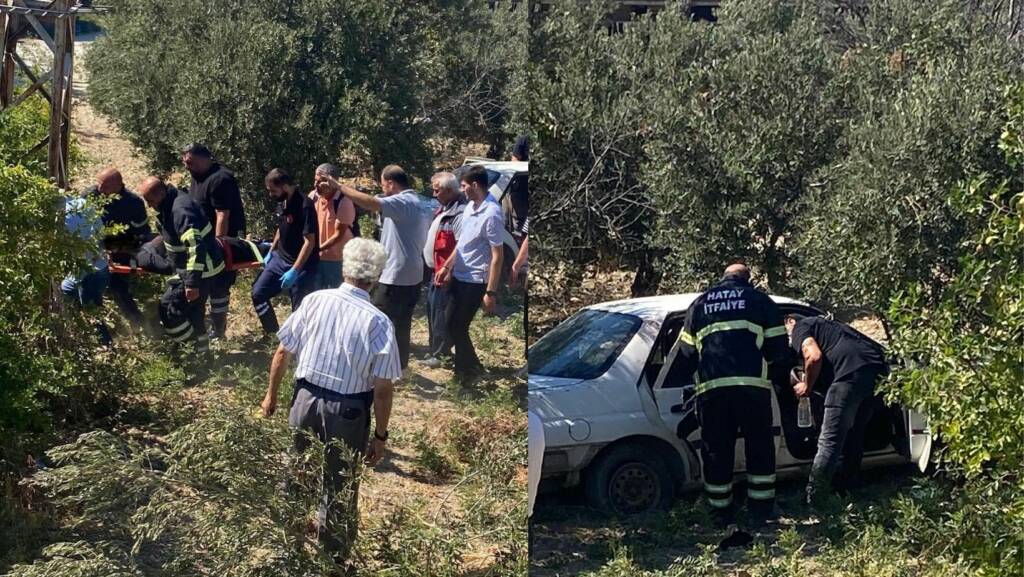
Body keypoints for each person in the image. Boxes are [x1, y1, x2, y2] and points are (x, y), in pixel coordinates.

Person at [260, 238, 400, 564]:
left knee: (296, 476)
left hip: (305, 400)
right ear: (376, 277)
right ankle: (331, 560)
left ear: (345, 268)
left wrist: (271, 396)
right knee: (338, 487)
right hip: (348, 412)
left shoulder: (314, 301)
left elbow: (283, 350)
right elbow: (382, 388)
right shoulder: (378, 322)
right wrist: (380, 435)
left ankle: (288, 551)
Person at [656, 263, 787, 548]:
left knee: (717, 450)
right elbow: (779, 349)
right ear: (747, 280)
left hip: (712, 392)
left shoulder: (700, 304)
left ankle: (719, 512)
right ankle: (761, 510)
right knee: (759, 447)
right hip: (752, 389)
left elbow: (686, 353)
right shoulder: (759, 301)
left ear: (723, 278)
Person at [318, 166, 427, 370]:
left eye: (383, 184)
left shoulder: (402, 201)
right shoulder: (417, 202)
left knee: (378, 320)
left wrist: (339, 186)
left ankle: (374, 367)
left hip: (396, 275)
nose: (382, 189)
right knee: (401, 324)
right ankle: (398, 368)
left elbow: (371, 203)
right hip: (413, 274)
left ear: (391, 183)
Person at [785, 314, 890, 504]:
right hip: (876, 372)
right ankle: (848, 488)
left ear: (790, 320)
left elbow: (813, 356)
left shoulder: (800, 326)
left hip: (848, 375)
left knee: (829, 441)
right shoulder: (831, 327)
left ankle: (815, 498)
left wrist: (806, 386)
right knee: (854, 433)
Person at [138, 177, 226, 354]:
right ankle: (201, 355)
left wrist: (192, 283)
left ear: (161, 193)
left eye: (150, 201)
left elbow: (195, 245)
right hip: (192, 267)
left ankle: (189, 350)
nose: (149, 206)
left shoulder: (179, 210)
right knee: (194, 314)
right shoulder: (171, 203)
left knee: (169, 308)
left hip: (201, 271)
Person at [435, 166, 505, 382]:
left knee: (458, 325)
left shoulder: (492, 213)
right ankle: (473, 367)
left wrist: (490, 292)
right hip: (460, 276)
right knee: (451, 324)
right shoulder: (469, 208)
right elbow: (463, 242)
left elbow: (497, 255)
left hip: (475, 280)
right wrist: (447, 266)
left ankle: (464, 374)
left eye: (464, 186)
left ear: (475, 185)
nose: (462, 190)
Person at [183, 143, 247, 339]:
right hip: (204, 241)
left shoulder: (220, 179)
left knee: (219, 287)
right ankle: (206, 327)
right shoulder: (197, 175)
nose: (186, 166)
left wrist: (220, 246)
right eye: (185, 162)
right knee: (204, 285)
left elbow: (222, 215)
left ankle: (218, 331)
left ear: (204, 158)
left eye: (190, 162)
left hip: (221, 242)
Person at [252, 168, 319, 334]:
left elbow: (310, 242)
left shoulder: (305, 205)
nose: (271, 195)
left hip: (301, 265)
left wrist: (295, 270)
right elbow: (281, 228)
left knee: (299, 310)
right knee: (258, 293)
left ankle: (297, 346)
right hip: (279, 259)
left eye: (273, 191)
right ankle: (272, 333)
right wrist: (271, 251)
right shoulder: (282, 202)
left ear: (285, 186)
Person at [85, 167, 151, 329]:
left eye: (106, 186)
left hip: (122, 250)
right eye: (99, 184)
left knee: (118, 288)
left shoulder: (133, 203)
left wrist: (119, 249)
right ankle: (95, 324)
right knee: (90, 286)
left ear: (118, 185)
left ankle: (139, 324)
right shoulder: (89, 196)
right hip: (93, 249)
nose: (101, 189)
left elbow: (142, 235)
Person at [421, 172, 468, 367]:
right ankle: (435, 349)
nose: (434, 194)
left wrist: (449, 269)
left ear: (449, 190)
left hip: (445, 273)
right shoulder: (444, 208)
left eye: (437, 190)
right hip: (435, 270)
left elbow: (460, 244)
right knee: (432, 309)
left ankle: (441, 354)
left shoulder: (460, 212)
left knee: (440, 312)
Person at [61, 195, 112, 345]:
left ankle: (105, 346)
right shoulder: (83, 203)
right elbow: (101, 234)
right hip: (100, 267)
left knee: (90, 310)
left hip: (85, 271)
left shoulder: (56, 217)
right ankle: (82, 331)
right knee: (72, 291)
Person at [308, 163, 355, 290]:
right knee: (315, 293)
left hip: (337, 260)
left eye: (320, 181)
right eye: (315, 181)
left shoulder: (343, 201)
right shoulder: (313, 197)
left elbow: (338, 235)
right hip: (317, 257)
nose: (315, 185)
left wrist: (316, 249)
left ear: (331, 181)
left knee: (336, 295)